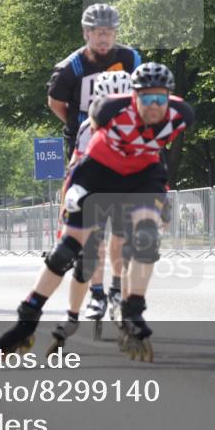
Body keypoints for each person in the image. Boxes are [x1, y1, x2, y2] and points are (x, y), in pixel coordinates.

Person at [0, 63, 193, 362]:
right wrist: (69, 201)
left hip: (143, 173)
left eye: (160, 99)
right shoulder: (107, 111)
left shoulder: (182, 115)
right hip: (98, 171)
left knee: (146, 238)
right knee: (68, 250)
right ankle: (28, 318)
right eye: (147, 98)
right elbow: (79, 159)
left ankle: (132, 312)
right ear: (133, 97)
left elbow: (158, 152)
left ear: (170, 97)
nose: (154, 106)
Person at [48, 69, 134, 350]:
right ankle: (97, 293)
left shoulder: (141, 124)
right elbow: (73, 170)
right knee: (94, 240)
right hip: (94, 188)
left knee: (122, 238)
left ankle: (117, 289)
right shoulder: (87, 128)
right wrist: (65, 209)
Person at [47, 3, 142, 159]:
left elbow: (140, 93)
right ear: (86, 33)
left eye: (108, 33)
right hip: (83, 140)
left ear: (115, 34)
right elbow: (55, 103)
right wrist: (76, 122)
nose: (103, 39)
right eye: (98, 33)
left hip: (124, 135)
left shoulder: (131, 58)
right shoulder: (69, 68)